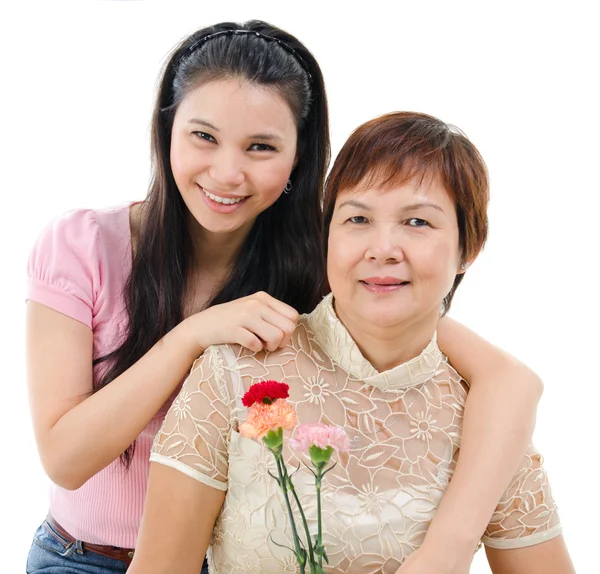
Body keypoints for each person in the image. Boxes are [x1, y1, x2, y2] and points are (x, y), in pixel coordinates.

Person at [26, 20, 542, 574]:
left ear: (298, 158)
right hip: (84, 558)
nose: (227, 172)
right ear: (166, 130)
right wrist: (191, 335)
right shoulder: (82, 246)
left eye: (261, 147)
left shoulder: (316, 270)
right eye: (203, 136)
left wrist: (449, 544)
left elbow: (511, 381)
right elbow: (65, 458)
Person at [129, 112, 574, 574]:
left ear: (469, 249)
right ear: (327, 237)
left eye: (417, 222)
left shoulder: (491, 425)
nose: (382, 248)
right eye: (358, 218)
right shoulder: (232, 373)